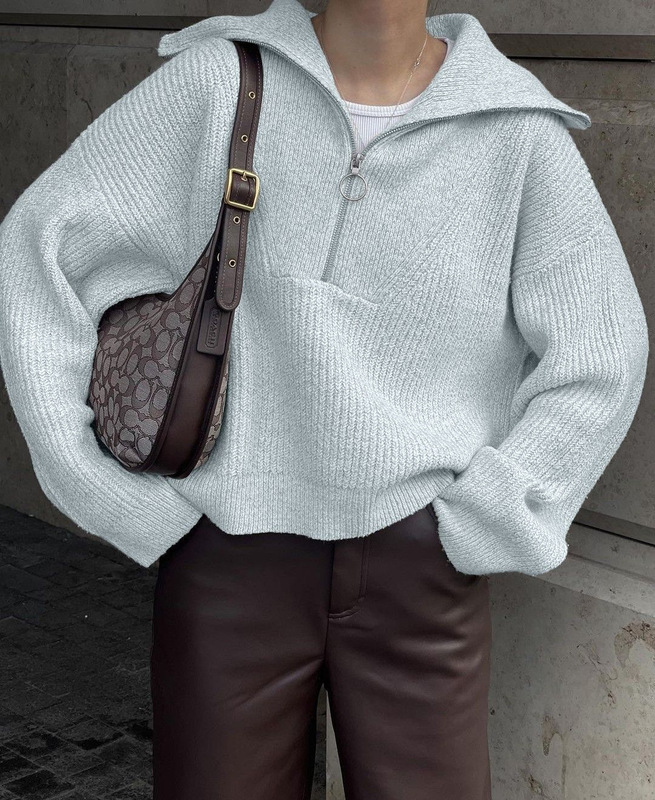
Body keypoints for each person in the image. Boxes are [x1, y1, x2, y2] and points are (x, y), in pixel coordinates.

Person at [0, 0, 648, 798]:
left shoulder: (516, 133)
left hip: (421, 565)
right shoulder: (218, 83)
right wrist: (103, 491)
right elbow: (36, 256)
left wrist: (490, 516)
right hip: (226, 555)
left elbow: (600, 352)